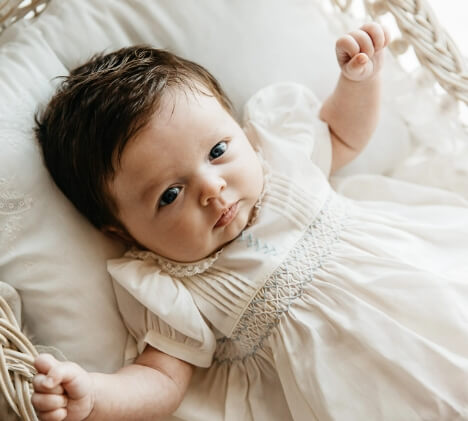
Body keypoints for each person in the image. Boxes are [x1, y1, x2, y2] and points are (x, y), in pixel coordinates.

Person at [31, 21, 468, 421]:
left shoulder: (279, 155)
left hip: (416, 280)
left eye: (217, 151)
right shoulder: (170, 286)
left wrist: (360, 81)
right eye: (170, 195)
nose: (211, 188)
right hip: (357, 394)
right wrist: (95, 394)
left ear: (238, 127)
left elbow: (342, 135)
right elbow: (161, 381)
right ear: (122, 232)